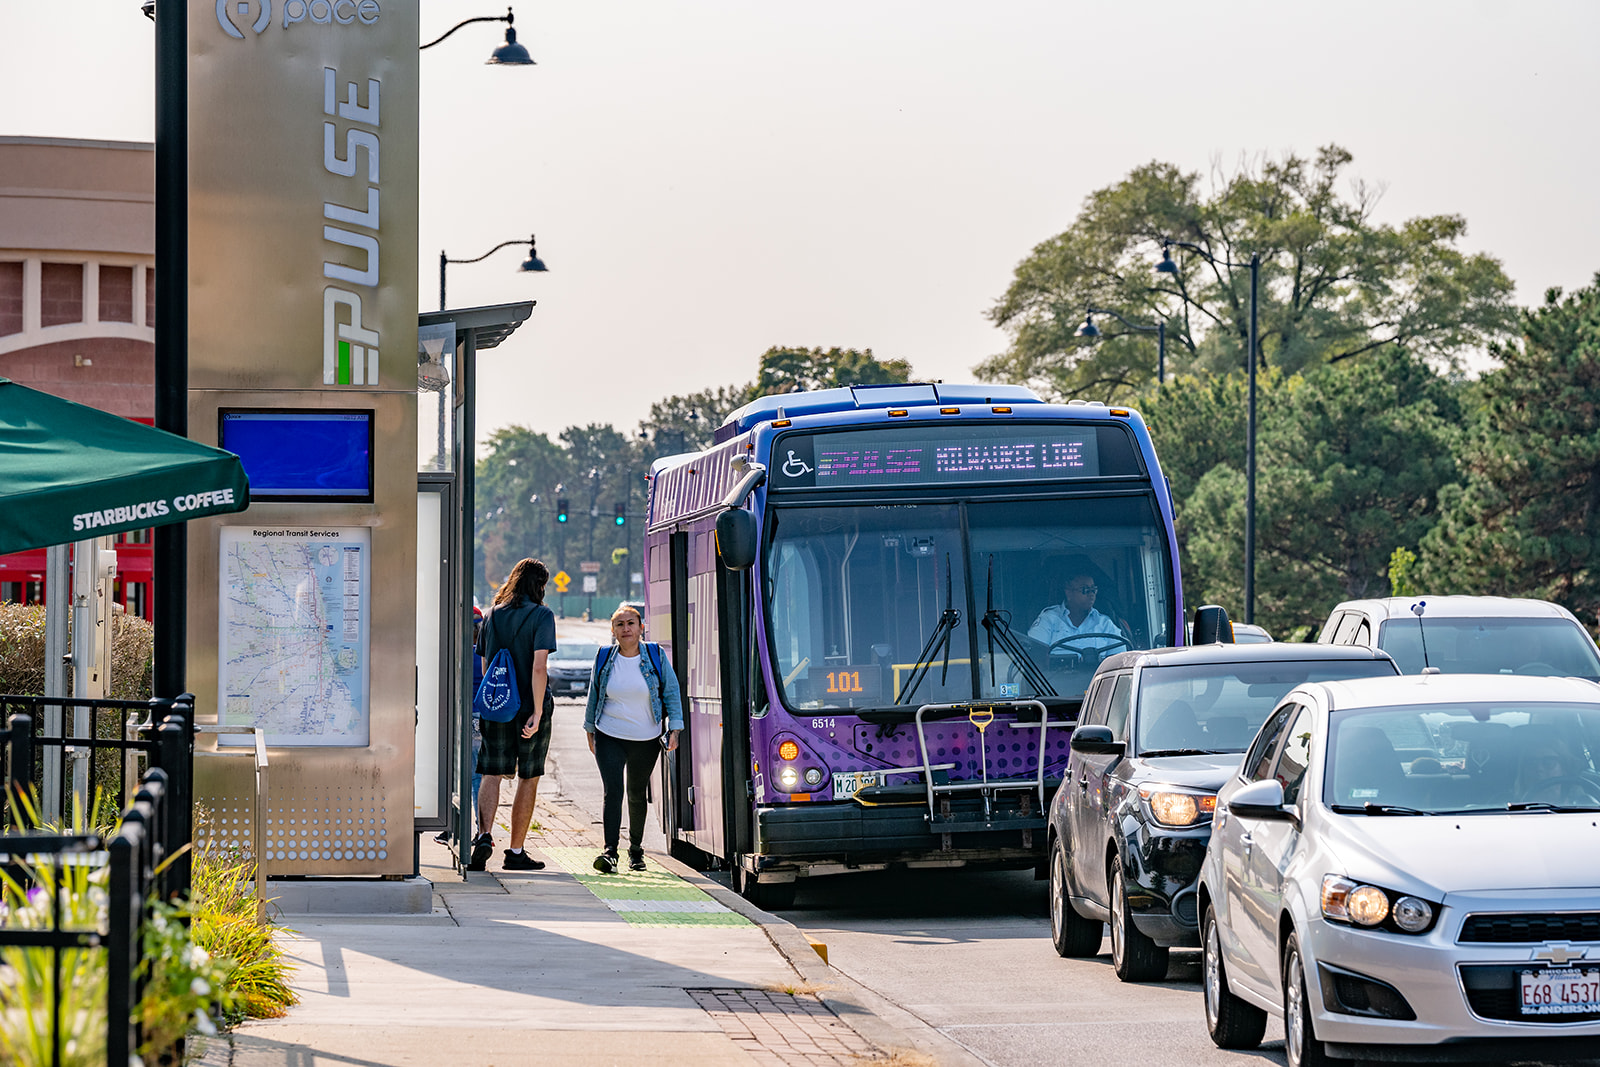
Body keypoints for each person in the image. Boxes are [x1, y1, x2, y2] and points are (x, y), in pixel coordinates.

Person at [583, 604, 684, 874]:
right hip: (609, 735)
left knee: (637, 794)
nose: (625, 629)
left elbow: (671, 692)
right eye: (620, 624)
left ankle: (636, 851)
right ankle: (610, 851)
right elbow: (594, 693)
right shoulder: (604, 657)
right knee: (612, 792)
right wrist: (589, 728)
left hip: (646, 738)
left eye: (631, 623)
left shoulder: (655, 655)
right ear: (613, 630)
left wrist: (675, 727)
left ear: (641, 628)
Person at [472, 558, 557, 872]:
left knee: (491, 772)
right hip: (527, 707)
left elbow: (485, 667)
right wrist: (536, 712)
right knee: (528, 776)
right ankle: (516, 851)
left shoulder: (492, 615)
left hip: (496, 706)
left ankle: (483, 835)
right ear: (539, 585)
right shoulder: (542, 615)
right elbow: (539, 667)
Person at [1028, 566, 1125, 659]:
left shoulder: (1105, 624)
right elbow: (1035, 658)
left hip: (1098, 676)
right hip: (1055, 676)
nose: (1091, 594)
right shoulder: (1048, 620)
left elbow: (1120, 661)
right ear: (1068, 592)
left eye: (1093, 590)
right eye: (1085, 590)